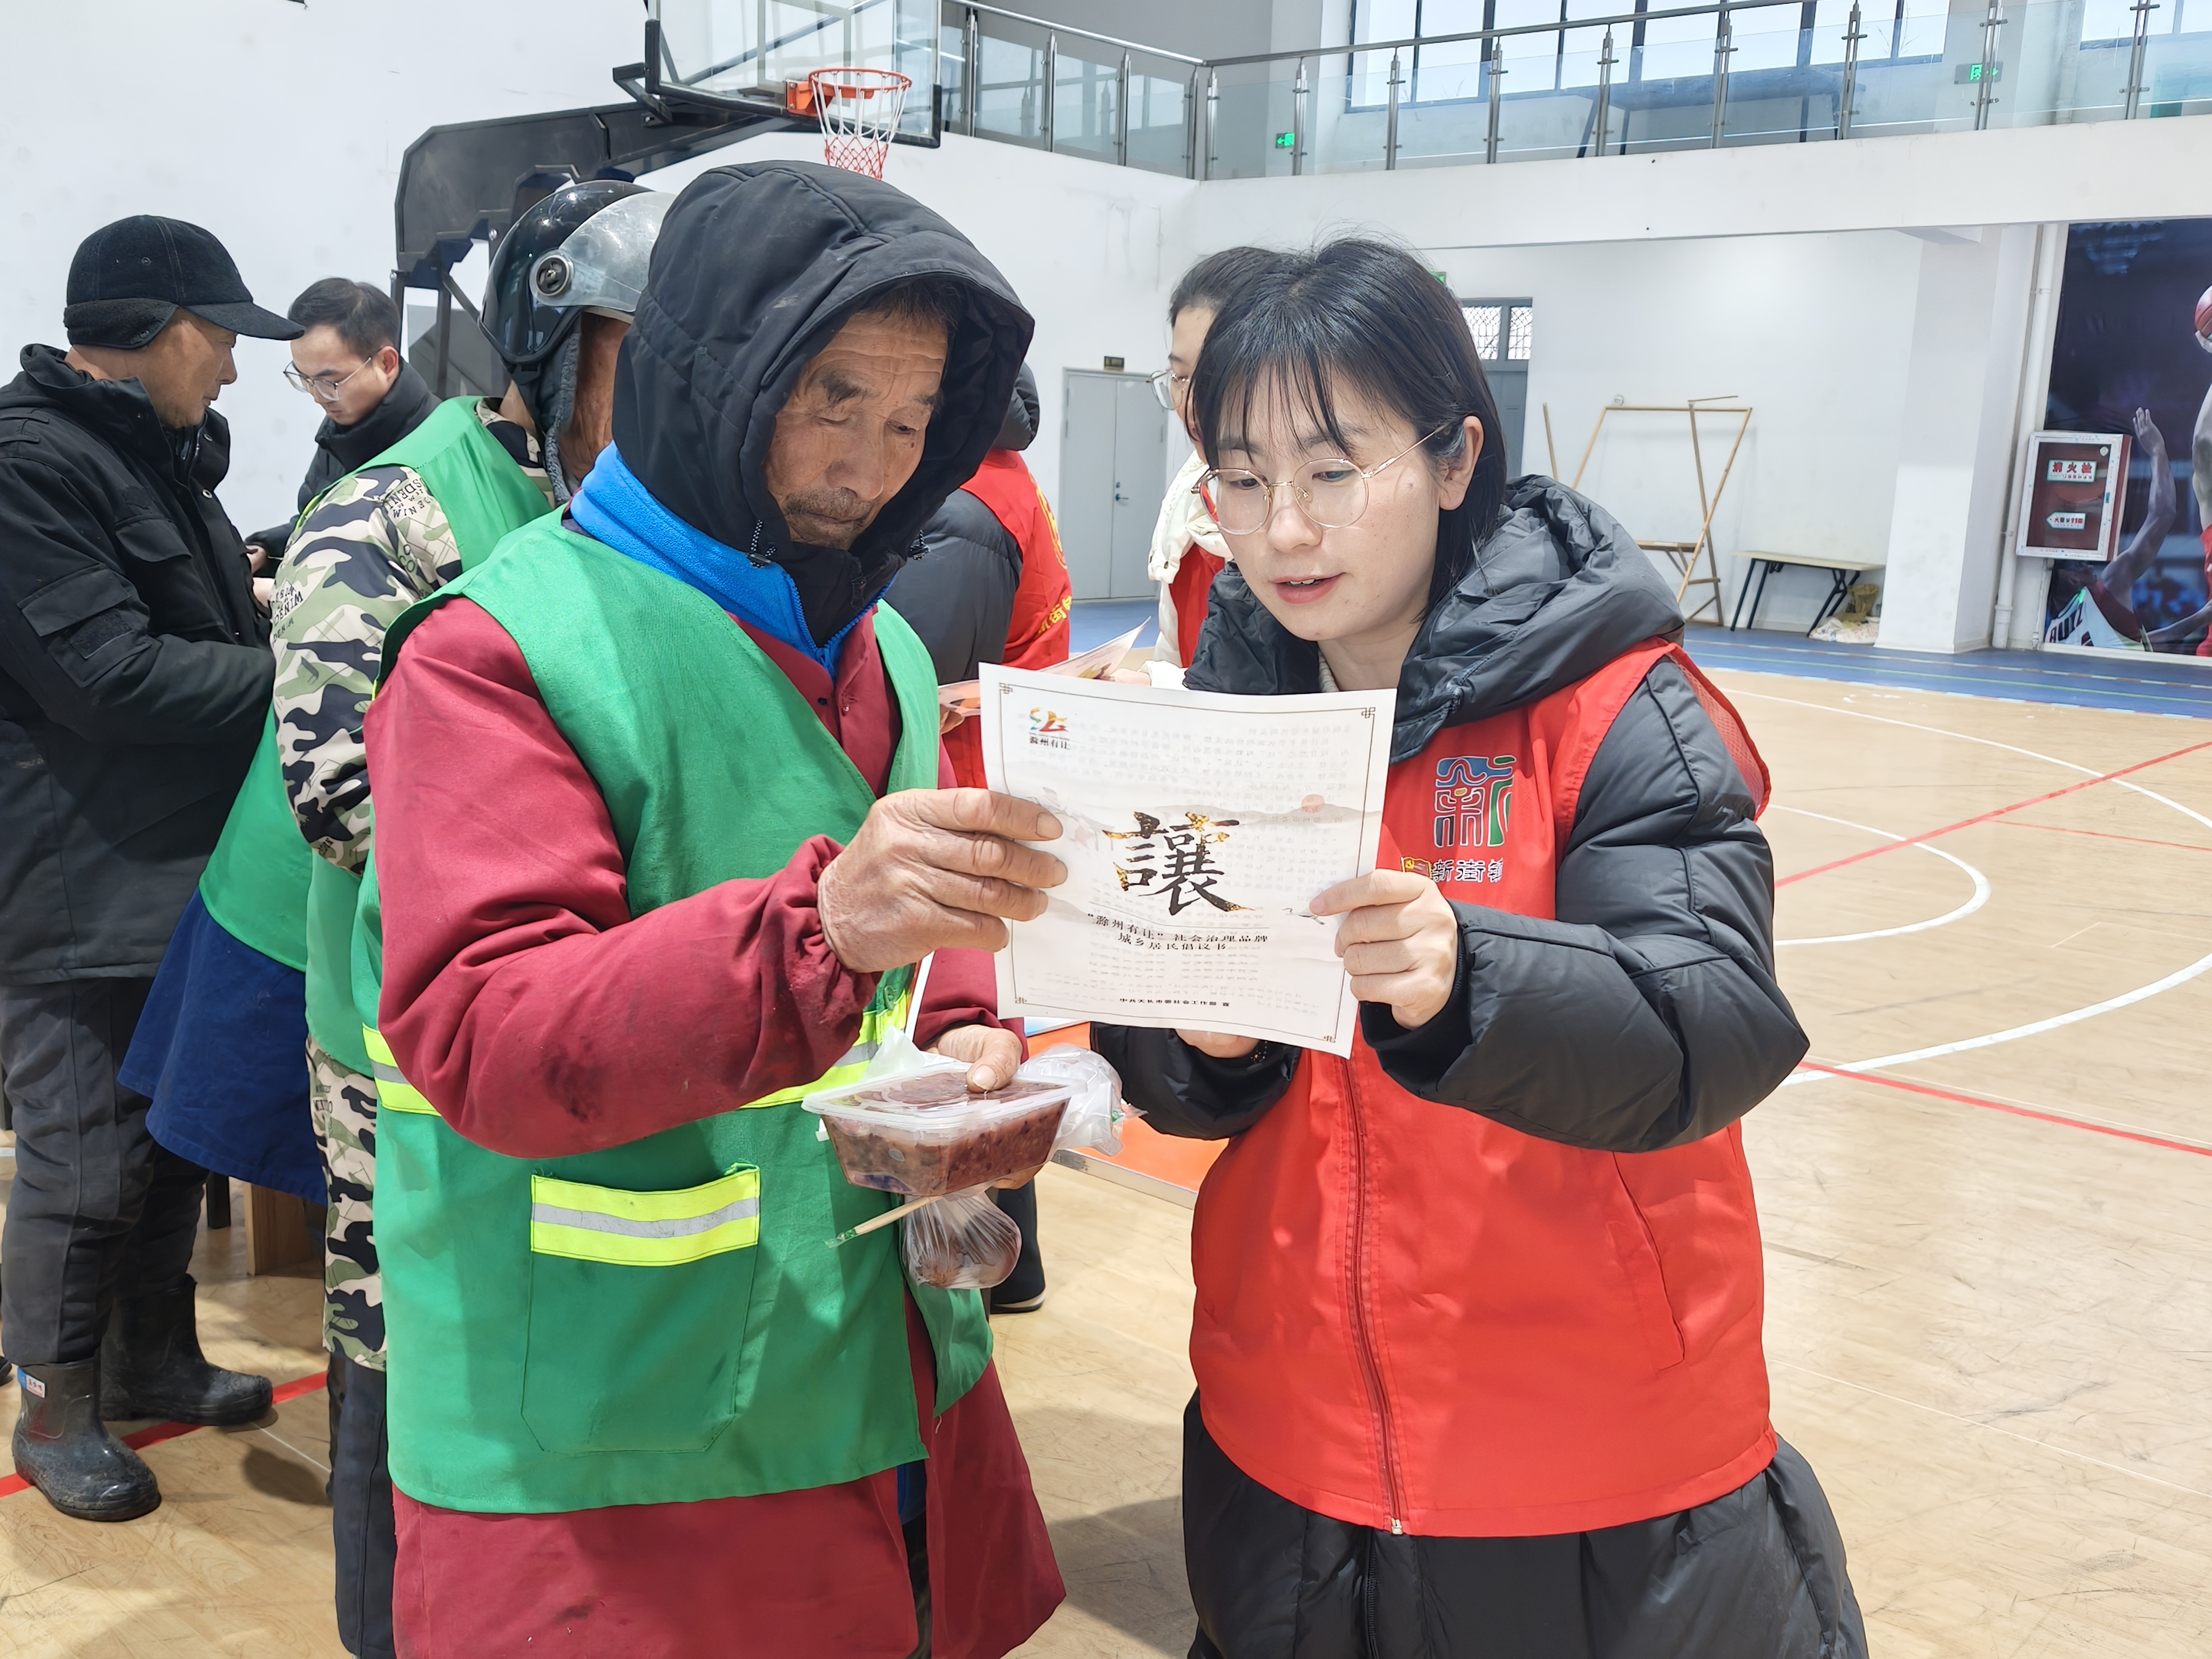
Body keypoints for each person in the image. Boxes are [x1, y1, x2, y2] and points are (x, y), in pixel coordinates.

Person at [1092, 238, 1868, 1659]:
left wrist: (1473, 980)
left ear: (1454, 459)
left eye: (1335, 471)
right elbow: (1166, 1072)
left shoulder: (1616, 711)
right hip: (1288, 1434)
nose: (1285, 528)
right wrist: (1196, 1043)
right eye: (1242, 481)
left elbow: (1712, 1023)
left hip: (1587, 1459)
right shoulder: (1228, 723)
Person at [355, 160, 1066, 1654]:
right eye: (829, 398)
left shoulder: (886, 652)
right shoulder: (496, 653)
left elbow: (925, 951)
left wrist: (966, 1038)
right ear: (706, 376)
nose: (866, 466)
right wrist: (827, 931)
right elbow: (487, 1032)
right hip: (613, 1425)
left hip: (871, 1362)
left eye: (910, 421)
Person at [272, 179, 661, 1659]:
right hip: (405, 1049)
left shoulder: (641, 516)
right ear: (553, 352)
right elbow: (337, 797)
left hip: (590, 1028)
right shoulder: (394, 518)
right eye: (638, 358)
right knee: (407, 1353)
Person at [0, 215, 299, 1522]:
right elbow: (108, 676)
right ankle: (55, 1403)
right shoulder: (29, 464)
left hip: (178, 868)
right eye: (223, 339)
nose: (232, 367)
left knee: (176, 1137)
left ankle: (151, 1357)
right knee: (84, 1160)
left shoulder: (151, 457)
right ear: (163, 331)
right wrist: (307, 668)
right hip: (77, 882)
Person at [885, 361, 1069, 1314]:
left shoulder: (962, 509)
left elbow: (907, 687)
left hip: (961, 787)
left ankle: (987, 1268)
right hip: (982, 781)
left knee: (961, 1031)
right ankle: (1005, 1265)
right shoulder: (993, 479)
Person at [1145, 248, 1285, 676]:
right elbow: (1173, 652)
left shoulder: (1311, 521)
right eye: (1180, 377)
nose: (1192, 404)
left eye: (1215, 376)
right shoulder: (1185, 502)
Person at [243, 279, 436, 570]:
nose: (317, 397)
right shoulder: (343, 429)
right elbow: (316, 524)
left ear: (386, 363)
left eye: (330, 382)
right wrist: (267, 552)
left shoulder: (438, 445)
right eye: (304, 379)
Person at [2045, 409, 2174, 650]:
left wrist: (2199, 619)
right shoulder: (2108, 587)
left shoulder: (2053, 631)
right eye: (2080, 563)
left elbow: (2132, 639)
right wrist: (2157, 450)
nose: (2089, 566)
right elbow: (2163, 514)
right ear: (2070, 577)